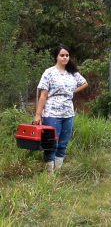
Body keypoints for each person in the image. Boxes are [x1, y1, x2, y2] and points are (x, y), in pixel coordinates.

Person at [34, 44, 88, 173]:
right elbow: (43, 95)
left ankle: (58, 171)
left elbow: (85, 83)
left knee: (63, 142)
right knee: (51, 142)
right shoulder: (49, 72)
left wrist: (71, 92)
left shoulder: (72, 73)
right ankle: (49, 172)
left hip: (68, 112)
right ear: (56, 57)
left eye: (67, 55)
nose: (65, 58)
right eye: (62, 55)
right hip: (51, 112)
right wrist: (38, 114)